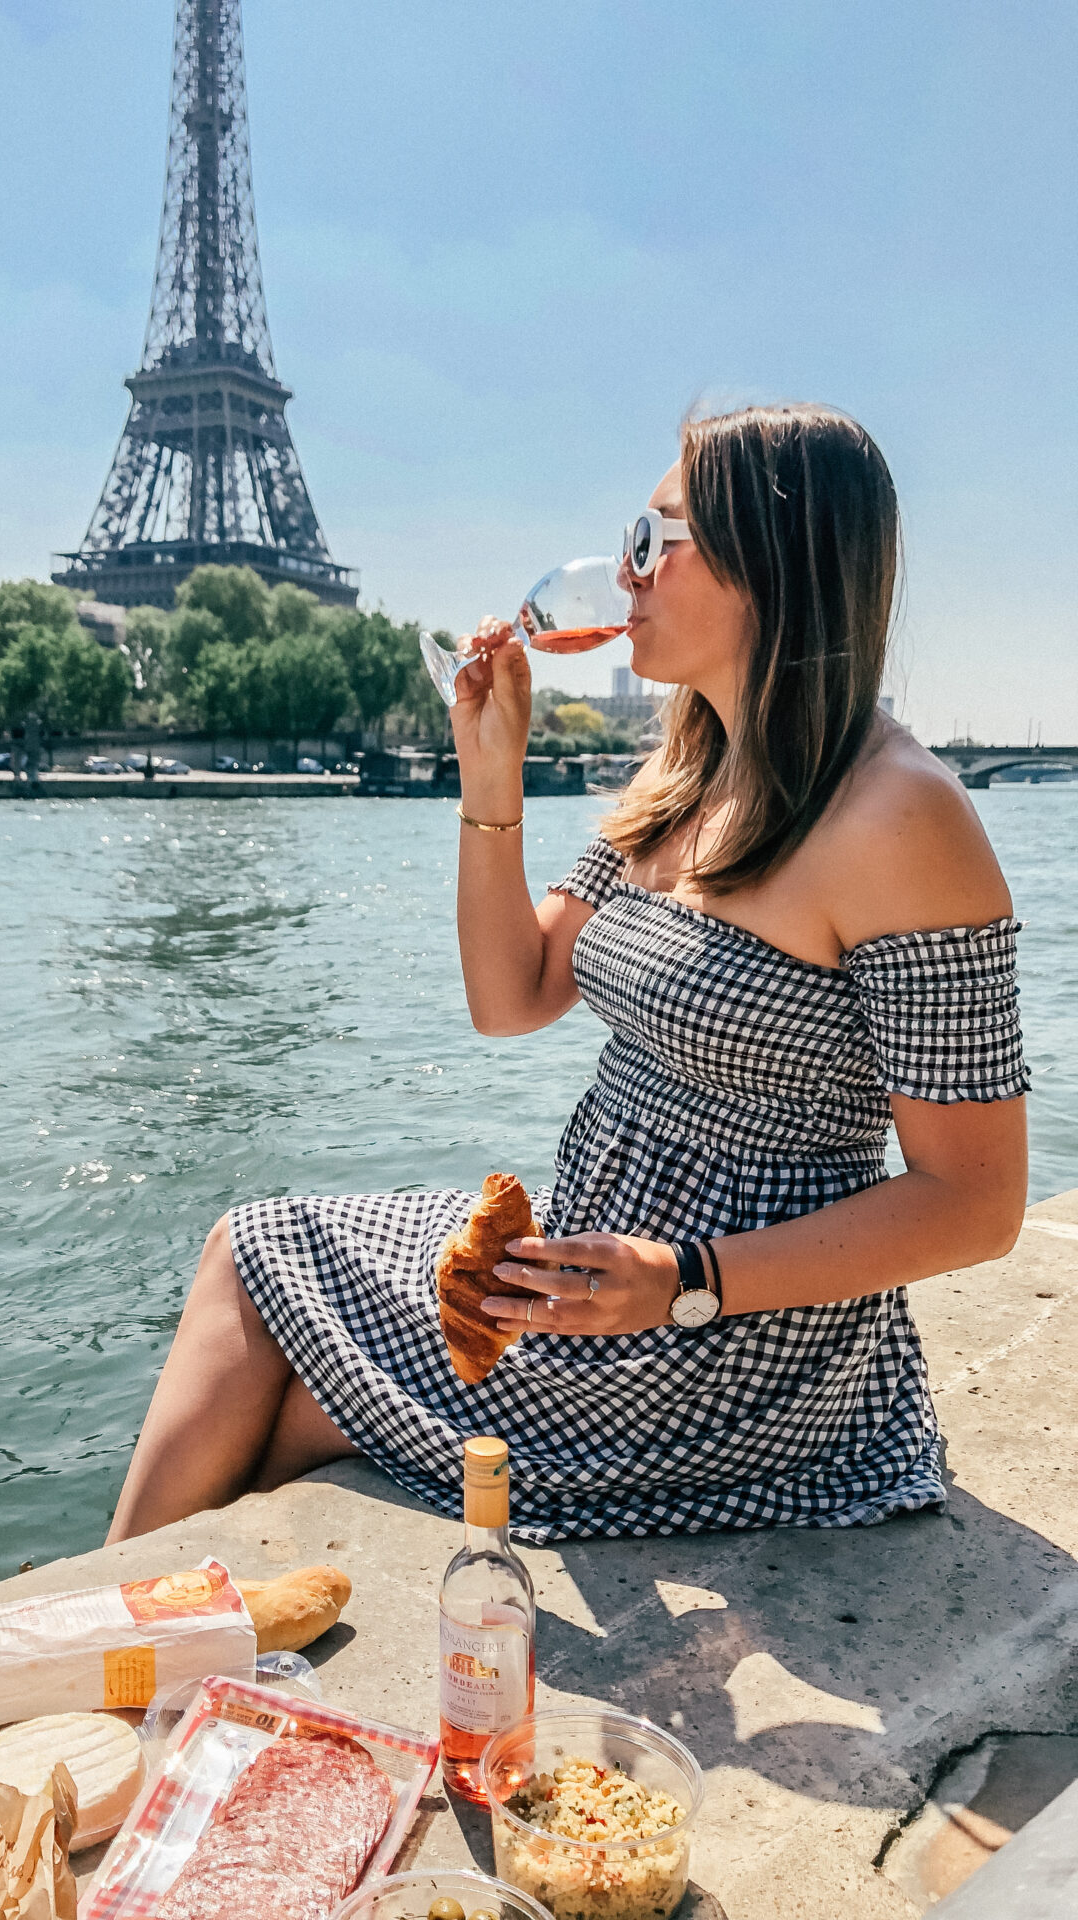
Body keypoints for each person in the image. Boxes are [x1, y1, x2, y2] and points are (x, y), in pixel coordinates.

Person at [107, 404, 1028, 1546]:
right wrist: (489, 778)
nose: (624, 571)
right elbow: (513, 998)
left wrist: (686, 1277)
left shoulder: (902, 816)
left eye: (656, 536)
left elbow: (978, 1203)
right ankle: (129, 1645)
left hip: (742, 1330)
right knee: (252, 1259)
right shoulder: (687, 774)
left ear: (769, 557)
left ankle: (105, 1645)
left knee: (281, 1367)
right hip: (594, 1262)